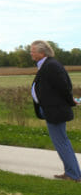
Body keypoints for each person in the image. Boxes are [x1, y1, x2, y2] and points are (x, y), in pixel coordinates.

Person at [30, 40, 80, 181]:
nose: (31, 54)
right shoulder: (47, 65)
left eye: (33, 51)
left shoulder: (51, 65)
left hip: (56, 110)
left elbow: (65, 86)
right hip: (52, 109)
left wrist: (70, 102)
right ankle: (71, 172)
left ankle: (74, 175)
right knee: (61, 142)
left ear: (42, 52)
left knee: (61, 142)